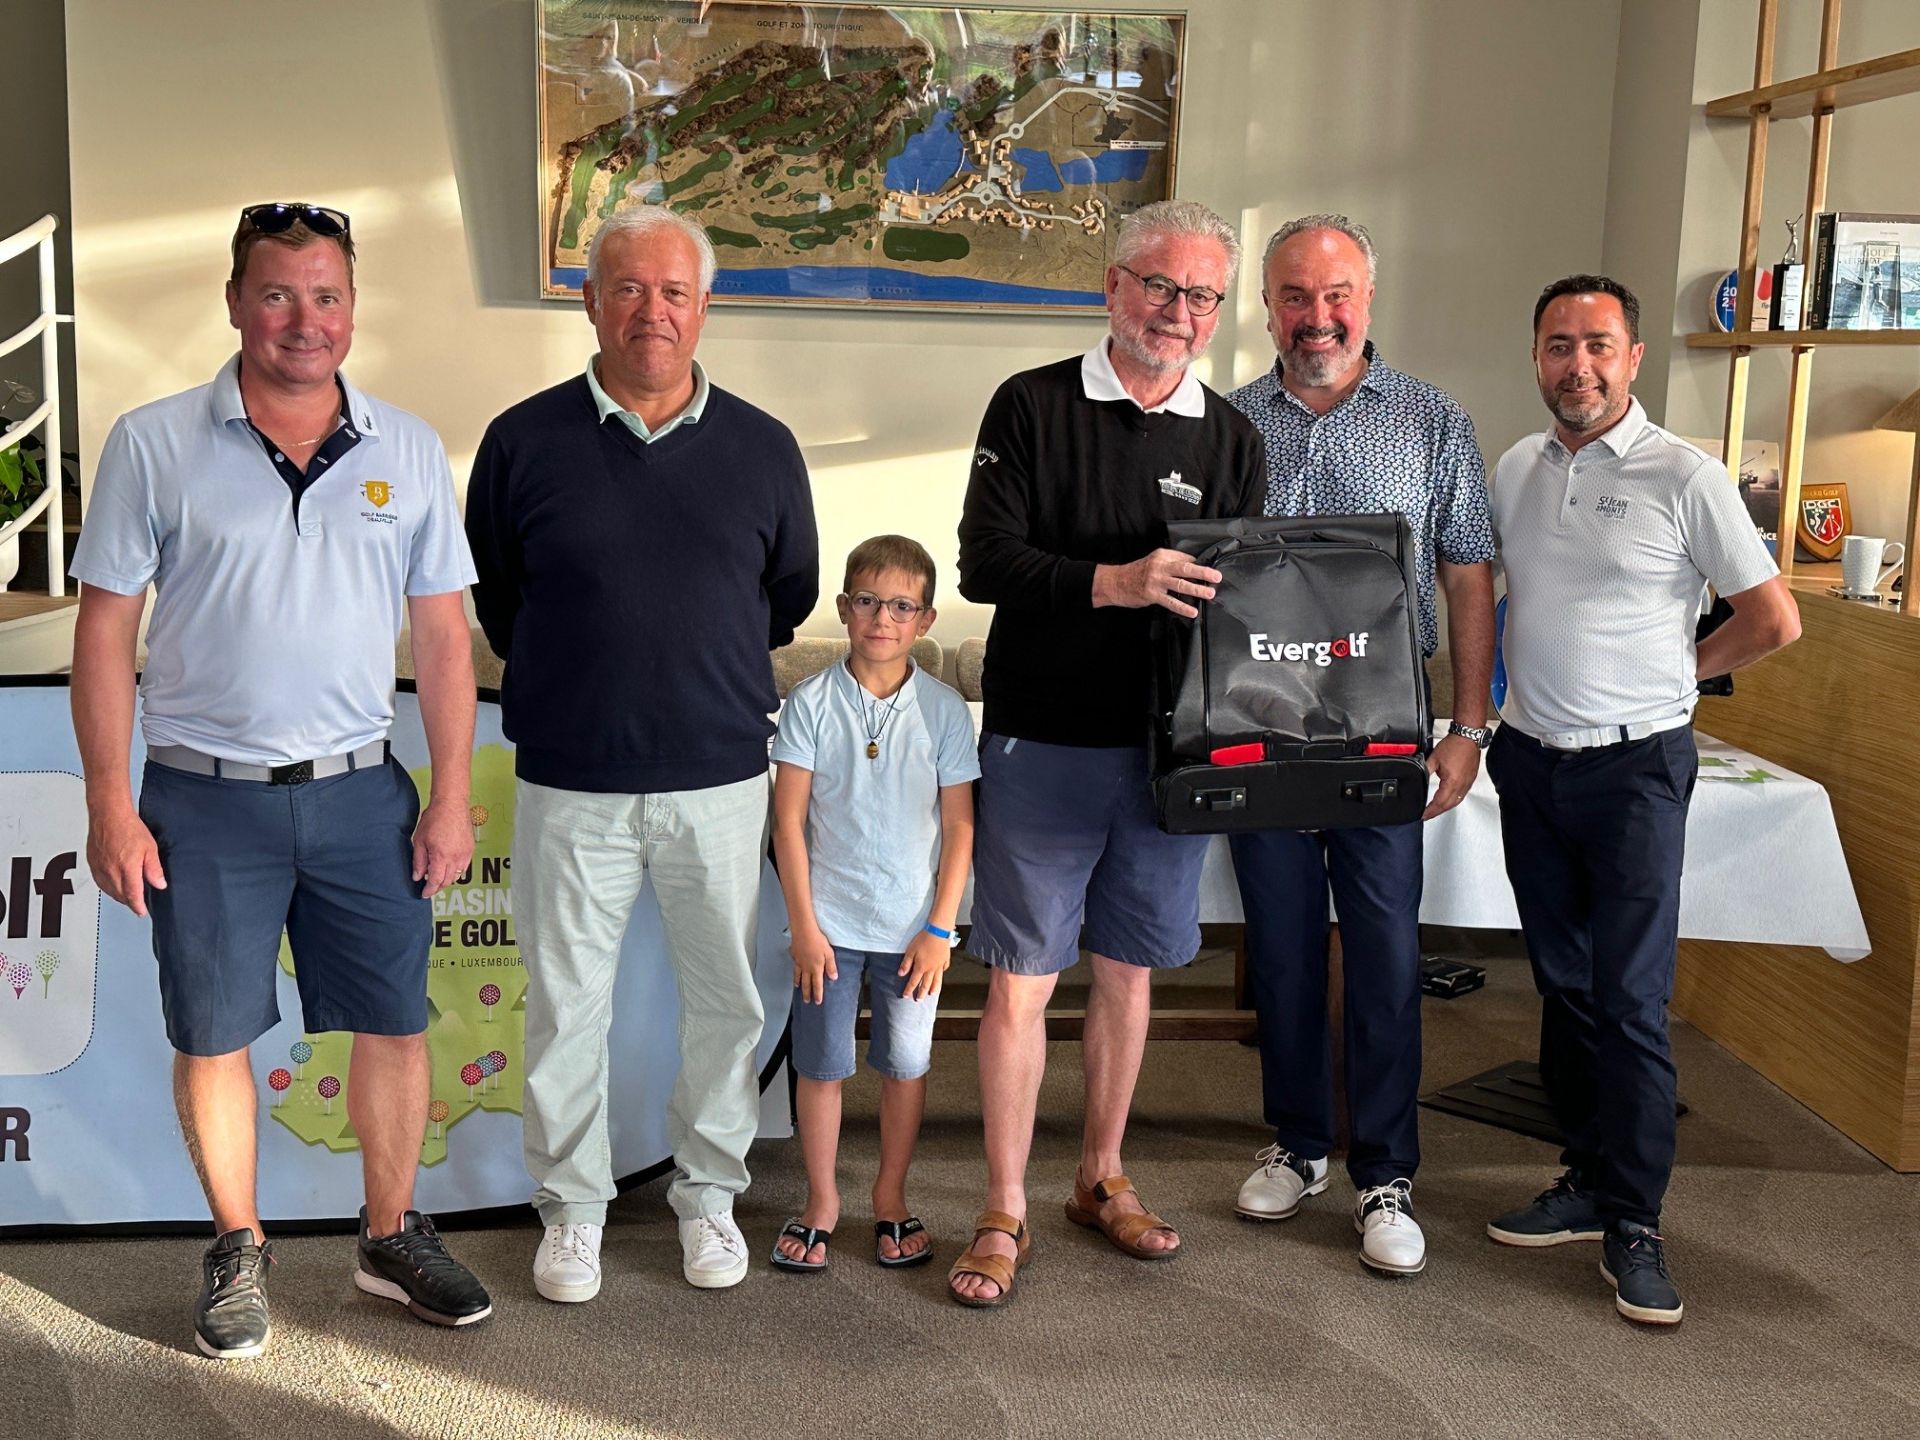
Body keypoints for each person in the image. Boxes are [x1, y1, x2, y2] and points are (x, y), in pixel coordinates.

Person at [68, 202, 491, 1360]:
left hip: (362, 794)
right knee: (214, 1034)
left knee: (393, 1023)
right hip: (203, 800)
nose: (305, 320)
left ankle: (389, 1238)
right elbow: (105, 633)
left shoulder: (407, 447)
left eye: (327, 295)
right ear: (235, 304)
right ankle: (239, 1246)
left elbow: (442, 638)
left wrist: (450, 794)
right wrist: (109, 802)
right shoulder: (153, 443)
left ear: (352, 307)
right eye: (277, 294)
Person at [466, 205, 818, 1298]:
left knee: (727, 1005)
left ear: (704, 307)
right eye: (627, 288)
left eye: (672, 292)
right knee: (566, 1008)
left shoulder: (764, 447)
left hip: (720, 778)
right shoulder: (521, 441)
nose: (650, 311)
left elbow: (786, 597)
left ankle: (708, 1197)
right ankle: (571, 1210)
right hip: (571, 780)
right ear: (590, 301)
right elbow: (500, 598)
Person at [949, 199, 1267, 1307]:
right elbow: (984, 562)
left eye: (1203, 295)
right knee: (1024, 983)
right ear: (1114, 286)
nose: (1180, 312)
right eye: (1161, 286)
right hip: (1044, 740)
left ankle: (1100, 1175)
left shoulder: (1232, 438)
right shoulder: (1030, 404)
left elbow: (1242, 605)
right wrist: (1116, 582)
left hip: (1168, 752)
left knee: (1130, 974)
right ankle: (1004, 1206)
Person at [1484, 274, 1799, 1325]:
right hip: (1532, 763)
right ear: (1537, 356)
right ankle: (1584, 1177)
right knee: (1566, 989)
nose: (1578, 365)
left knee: (1628, 1000)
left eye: (1598, 346)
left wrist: (1679, 673)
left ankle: (1636, 1220)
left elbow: (1773, 618)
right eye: (1558, 345)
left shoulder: (1686, 475)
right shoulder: (1517, 467)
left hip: (1634, 771)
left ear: (1632, 359)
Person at [1224, 214, 1496, 1278]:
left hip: (1386, 731)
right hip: (1259, 729)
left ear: (1367, 301)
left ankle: (1386, 1174)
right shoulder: (1226, 422)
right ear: (1267, 307)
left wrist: (1467, 727)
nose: (1317, 316)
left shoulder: (1432, 421)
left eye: (1336, 295)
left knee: (1383, 954)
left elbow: (1467, 573)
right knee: (1283, 949)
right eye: (1295, 296)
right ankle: (1297, 1145)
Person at [767, 535, 978, 1273]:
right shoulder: (810, 703)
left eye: (901, 606)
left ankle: (890, 1197)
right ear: (843, 608)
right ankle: (821, 1201)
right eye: (867, 601)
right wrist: (803, 926)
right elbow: (787, 823)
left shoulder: (944, 711)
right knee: (822, 1067)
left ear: (924, 619)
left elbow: (960, 826)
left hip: (914, 932)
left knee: (905, 1065)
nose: (882, 617)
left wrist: (940, 928)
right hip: (826, 930)